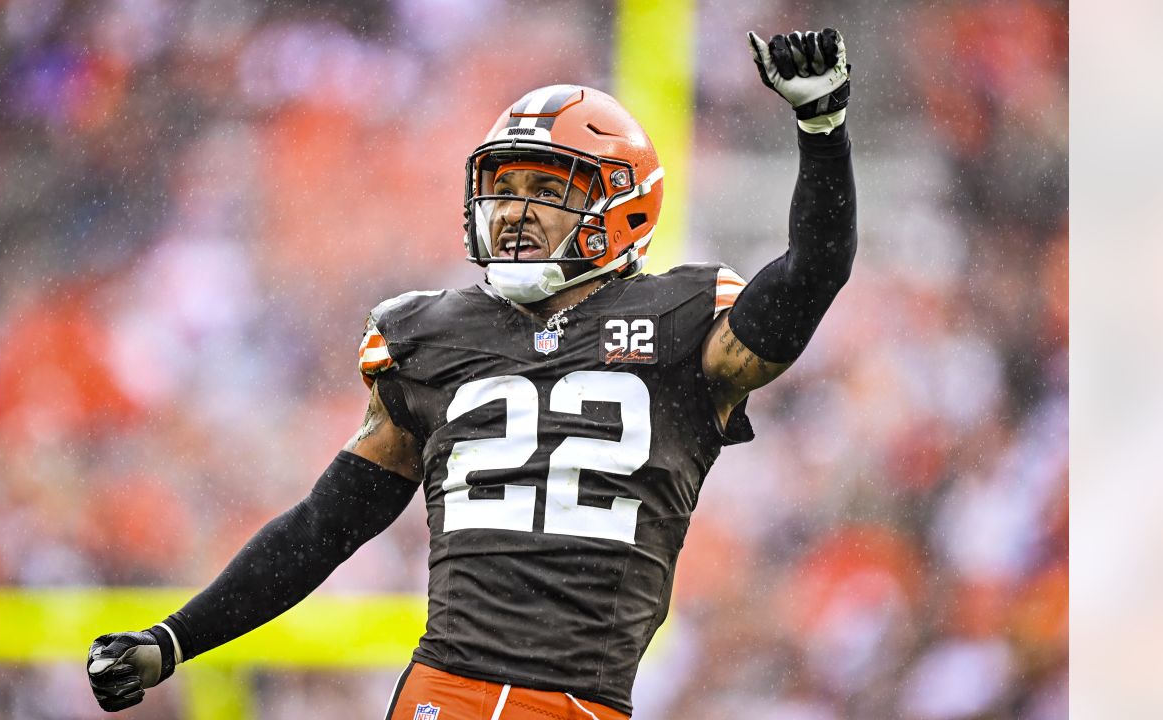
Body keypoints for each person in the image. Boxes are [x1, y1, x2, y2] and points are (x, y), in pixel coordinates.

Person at [87, 28, 857, 719]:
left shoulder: (682, 320)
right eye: (506, 189)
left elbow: (809, 277)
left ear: (622, 206)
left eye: (548, 191)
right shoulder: (431, 335)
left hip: (580, 702)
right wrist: (177, 639)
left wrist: (822, 133)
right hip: (446, 690)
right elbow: (324, 528)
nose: (514, 212)